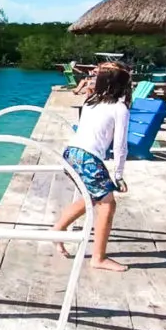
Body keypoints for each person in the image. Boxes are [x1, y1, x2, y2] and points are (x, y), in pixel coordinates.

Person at [52, 62, 132, 272]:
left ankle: (58, 230)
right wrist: (119, 175)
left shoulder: (91, 101)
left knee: (94, 197)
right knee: (108, 204)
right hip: (87, 157)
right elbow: (120, 146)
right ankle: (99, 257)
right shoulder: (119, 108)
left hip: (70, 153)